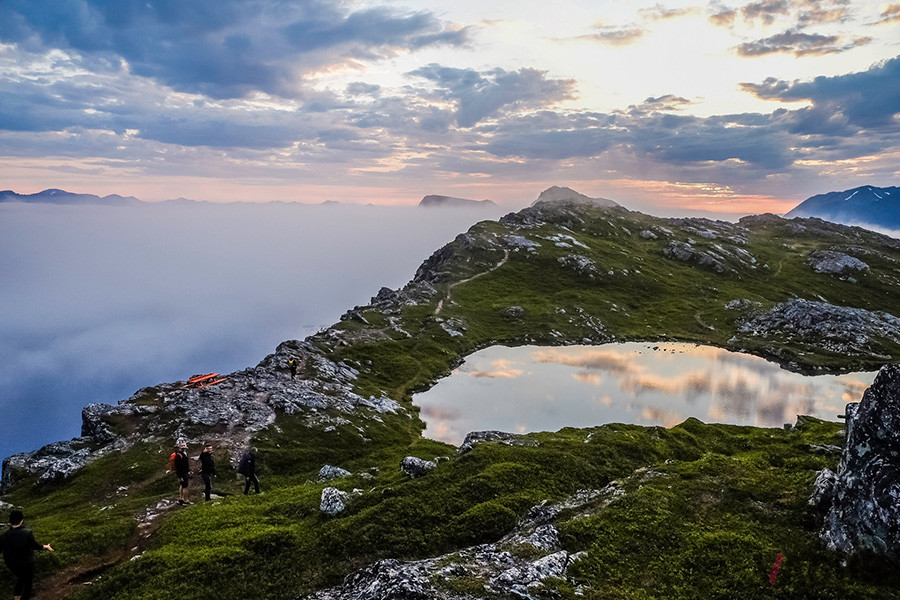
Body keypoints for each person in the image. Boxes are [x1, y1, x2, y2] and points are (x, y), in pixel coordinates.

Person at [1, 510, 53, 600]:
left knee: (20, 579)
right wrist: (46, 546)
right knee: (28, 584)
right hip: (26, 563)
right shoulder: (27, 533)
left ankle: (16, 598)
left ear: (10, 521)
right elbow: (35, 546)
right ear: (21, 521)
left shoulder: (4, 536)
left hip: (11, 564)